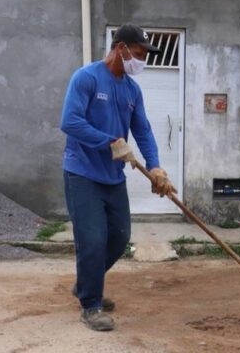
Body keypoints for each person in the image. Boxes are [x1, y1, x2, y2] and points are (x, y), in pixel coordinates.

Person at [60, 23, 176, 331]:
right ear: (121, 48)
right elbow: (69, 121)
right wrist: (110, 142)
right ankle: (91, 305)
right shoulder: (86, 78)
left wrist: (155, 167)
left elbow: (143, 130)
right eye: (138, 53)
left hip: (113, 177)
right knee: (93, 241)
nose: (142, 60)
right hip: (82, 173)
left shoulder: (131, 90)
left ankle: (87, 282)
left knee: (119, 238)